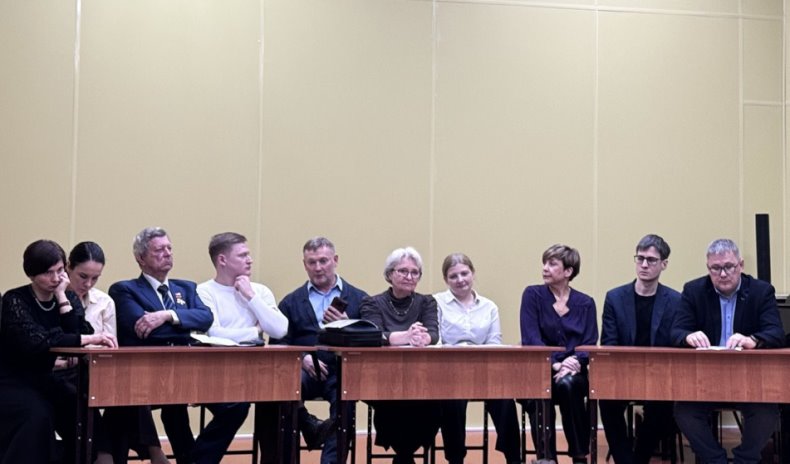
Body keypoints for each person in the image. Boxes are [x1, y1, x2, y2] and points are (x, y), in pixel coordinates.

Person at [109, 227, 249, 464]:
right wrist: (185, 326)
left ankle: (195, 461)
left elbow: (206, 318)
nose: (167, 253)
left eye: (169, 248)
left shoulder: (186, 288)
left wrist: (168, 315)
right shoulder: (125, 290)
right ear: (141, 258)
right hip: (148, 375)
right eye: (159, 250)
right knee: (168, 408)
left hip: (190, 372)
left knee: (237, 404)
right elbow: (144, 331)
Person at [0, 239, 117, 464]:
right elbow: (36, 342)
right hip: (15, 380)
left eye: (60, 270)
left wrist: (62, 297)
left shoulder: (68, 297)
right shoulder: (15, 299)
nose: (56, 278)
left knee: (80, 409)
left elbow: (78, 331)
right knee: (37, 414)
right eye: (48, 273)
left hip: (45, 378)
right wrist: (86, 339)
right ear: (32, 274)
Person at [670, 238, 784, 464]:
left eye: (729, 267)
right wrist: (687, 336)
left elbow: (776, 333)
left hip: (749, 378)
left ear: (740, 265)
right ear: (708, 268)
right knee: (684, 411)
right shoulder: (693, 291)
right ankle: (716, 460)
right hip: (704, 378)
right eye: (716, 268)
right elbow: (675, 331)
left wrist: (753, 340)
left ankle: (745, 460)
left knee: (767, 412)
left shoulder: (761, 291)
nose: (722, 274)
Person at [67, 241, 169, 464]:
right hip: (68, 371)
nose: (88, 284)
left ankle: (110, 455)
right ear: (68, 268)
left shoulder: (104, 301)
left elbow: (110, 345)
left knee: (130, 386)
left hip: (99, 368)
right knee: (93, 392)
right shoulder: (56, 298)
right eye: (83, 276)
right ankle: (145, 452)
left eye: (95, 278)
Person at [271, 236, 368, 464]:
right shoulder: (291, 302)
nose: (318, 267)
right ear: (304, 264)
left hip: (342, 371)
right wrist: (301, 357)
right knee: (282, 389)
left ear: (335, 260)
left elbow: (370, 341)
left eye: (323, 261)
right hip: (303, 370)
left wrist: (348, 324)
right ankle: (307, 427)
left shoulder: (359, 299)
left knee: (345, 404)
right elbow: (278, 342)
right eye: (311, 262)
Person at [196, 232, 289, 464]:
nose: (250, 260)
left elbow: (279, 329)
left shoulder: (260, 291)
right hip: (218, 372)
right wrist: (255, 332)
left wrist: (251, 297)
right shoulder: (204, 292)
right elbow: (214, 335)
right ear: (222, 260)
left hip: (258, 372)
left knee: (283, 398)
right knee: (236, 406)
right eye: (243, 255)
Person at [598, 234, 681, 464]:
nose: (644, 265)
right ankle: (625, 460)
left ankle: (640, 458)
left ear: (664, 264)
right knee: (606, 399)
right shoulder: (615, 298)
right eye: (640, 258)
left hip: (659, 374)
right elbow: (609, 342)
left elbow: (675, 342)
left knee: (663, 404)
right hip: (623, 372)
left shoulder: (676, 300)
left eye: (651, 260)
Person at [434, 253, 521, 464]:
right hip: (449, 371)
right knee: (452, 401)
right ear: (445, 279)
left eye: (464, 273)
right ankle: (456, 458)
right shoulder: (436, 303)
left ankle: (513, 458)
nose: (460, 279)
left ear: (473, 273)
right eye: (453, 276)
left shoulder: (489, 307)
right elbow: (436, 342)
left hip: (484, 371)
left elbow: (494, 342)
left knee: (505, 400)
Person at [361, 247, 441, 464]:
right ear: (389, 274)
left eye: (415, 272)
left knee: (433, 401)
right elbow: (374, 336)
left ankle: (405, 454)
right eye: (403, 271)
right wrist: (406, 336)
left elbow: (433, 334)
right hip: (382, 377)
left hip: (420, 376)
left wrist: (423, 338)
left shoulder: (426, 302)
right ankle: (405, 454)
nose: (409, 276)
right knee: (395, 400)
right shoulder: (372, 303)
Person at [520, 244, 597, 464]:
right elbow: (530, 338)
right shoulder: (532, 295)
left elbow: (590, 342)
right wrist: (555, 364)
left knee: (568, 385)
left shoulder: (585, 303)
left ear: (568, 271)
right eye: (544, 263)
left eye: (552, 264)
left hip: (574, 371)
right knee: (539, 390)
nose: (545, 268)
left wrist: (575, 361)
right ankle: (546, 458)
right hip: (540, 368)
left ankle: (579, 455)